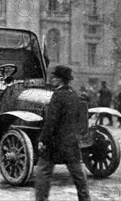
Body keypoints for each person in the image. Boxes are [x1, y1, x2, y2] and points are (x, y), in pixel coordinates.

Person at [35, 65, 89, 201]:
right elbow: (78, 118)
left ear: (59, 80)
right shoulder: (74, 95)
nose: (52, 79)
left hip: (55, 143)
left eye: (54, 77)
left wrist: (43, 140)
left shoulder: (57, 96)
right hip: (71, 142)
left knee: (43, 171)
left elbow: (50, 121)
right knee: (78, 174)